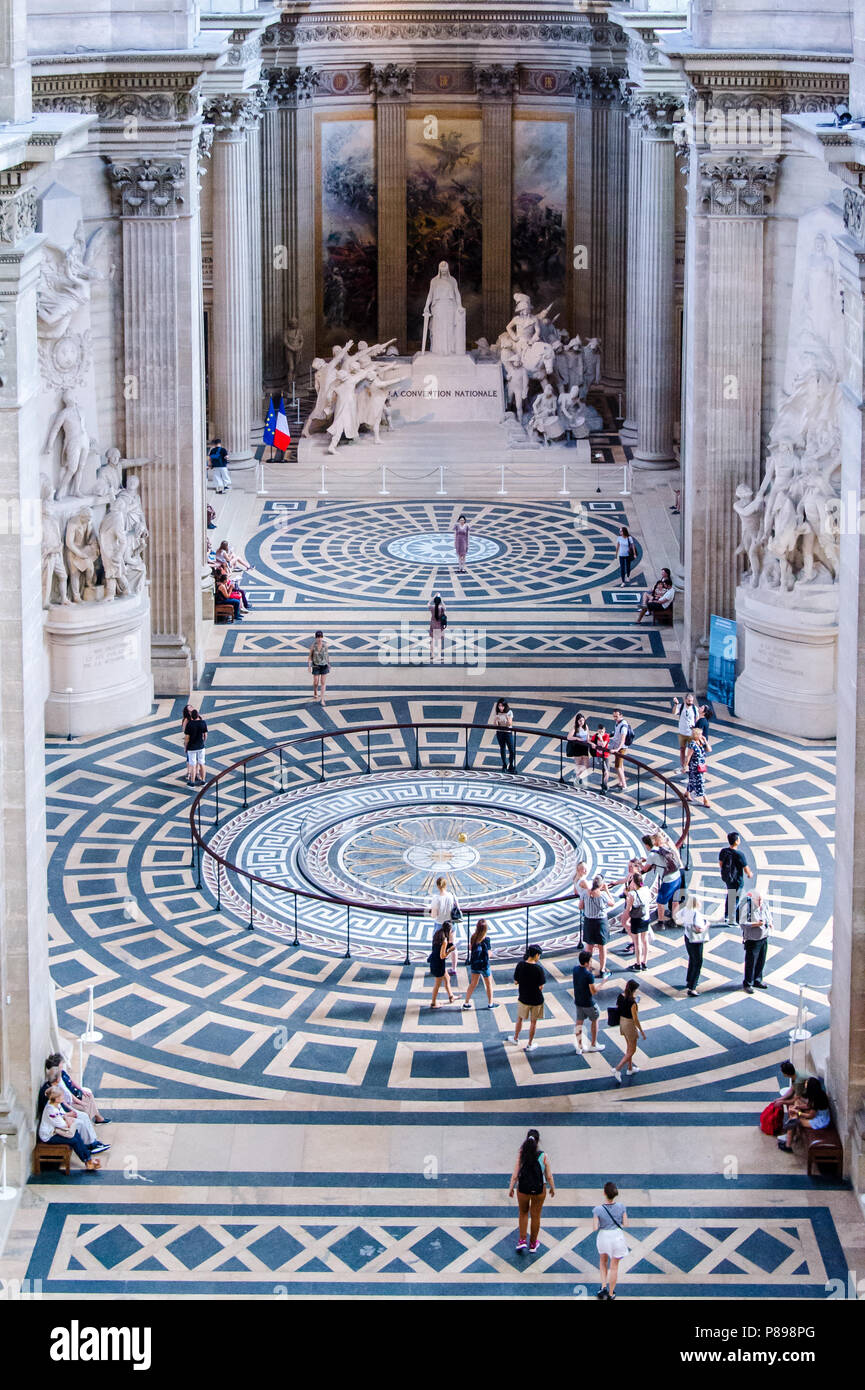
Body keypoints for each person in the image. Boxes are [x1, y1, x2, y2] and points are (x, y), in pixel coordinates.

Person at [509, 1129, 555, 1254]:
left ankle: (522, 1240)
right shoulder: (543, 1156)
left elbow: (515, 1174)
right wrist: (552, 1188)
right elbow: (549, 1175)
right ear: (538, 1141)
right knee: (536, 1216)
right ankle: (533, 1243)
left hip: (523, 1189)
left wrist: (511, 1187)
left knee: (523, 1213)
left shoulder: (522, 1154)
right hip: (539, 1189)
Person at [38, 1086, 102, 1170]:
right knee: (74, 1141)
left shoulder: (55, 1104)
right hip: (49, 1136)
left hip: (55, 1130)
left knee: (76, 1134)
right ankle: (87, 1161)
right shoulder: (51, 1111)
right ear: (56, 1099)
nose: (63, 1097)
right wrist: (68, 1119)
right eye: (61, 1096)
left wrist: (67, 1117)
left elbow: (62, 1116)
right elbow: (64, 1125)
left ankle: (88, 1159)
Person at [45, 1053, 108, 1126]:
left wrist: (81, 1090)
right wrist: (81, 1103)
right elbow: (68, 1094)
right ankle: (93, 1121)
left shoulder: (62, 1072)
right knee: (86, 1107)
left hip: (75, 1094)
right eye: (61, 1063)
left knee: (89, 1095)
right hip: (71, 1101)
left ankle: (98, 1118)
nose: (62, 1064)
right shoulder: (58, 1080)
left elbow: (72, 1081)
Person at [593, 1181, 629, 1300]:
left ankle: (603, 1287)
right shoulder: (621, 1207)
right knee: (614, 1267)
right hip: (617, 1237)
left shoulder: (597, 1210)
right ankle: (611, 1293)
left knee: (603, 1262)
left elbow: (595, 1228)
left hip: (604, 1237)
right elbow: (626, 1224)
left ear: (604, 1193)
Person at [777, 1077, 832, 1153]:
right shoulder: (818, 1094)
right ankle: (790, 1136)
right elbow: (809, 1106)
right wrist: (797, 1107)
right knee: (796, 1107)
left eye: (807, 1083)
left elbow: (810, 1116)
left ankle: (788, 1145)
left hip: (820, 1121)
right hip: (817, 1115)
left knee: (794, 1121)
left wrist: (797, 1112)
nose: (805, 1084)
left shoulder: (818, 1099)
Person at [507, 944, 546, 1051]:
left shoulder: (520, 965)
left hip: (523, 997)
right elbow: (541, 986)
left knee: (519, 1019)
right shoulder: (539, 969)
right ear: (536, 955)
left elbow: (516, 981)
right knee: (533, 1022)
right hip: (537, 999)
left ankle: (515, 1038)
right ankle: (529, 1044)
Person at [642, 832, 683, 929]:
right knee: (675, 900)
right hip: (677, 876)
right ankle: (674, 921)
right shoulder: (663, 848)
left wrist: (639, 865)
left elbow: (645, 869)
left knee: (660, 902)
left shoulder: (652, 854)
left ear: (647, 845)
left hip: (668, 880)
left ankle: (661, 923)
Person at [674, 893, 710, 995]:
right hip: (696, 940)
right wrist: (706, 924)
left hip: (687, 936)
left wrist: (687, 924)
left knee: (692, 958)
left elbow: (677, 917)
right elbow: (700, 929)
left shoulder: (686, 910)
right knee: (698, 962)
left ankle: (689, 980)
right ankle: (692, 987)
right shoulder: (696, 913)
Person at [613, 978, 646, 1083]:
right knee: (632, 1050)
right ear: (633, 990)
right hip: (629, 1024)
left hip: (622, 1022)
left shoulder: (620, 996)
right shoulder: (632, 1003)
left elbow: (618, 1007)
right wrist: (641, 1031)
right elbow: (635, 1019)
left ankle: (630, 1068)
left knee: (628, 1047)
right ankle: (617, 1069)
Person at [741, 888, 772, 993]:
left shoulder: (764, 905)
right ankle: (748, 983)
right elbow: (743, 923)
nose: (760, 902)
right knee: (751, 962)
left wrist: (770, 922)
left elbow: (768, 915)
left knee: (761, 960)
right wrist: (756, 924)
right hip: (753, 939)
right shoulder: (747, 908)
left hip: (764, 936)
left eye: (761, 900)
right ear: (752, 899)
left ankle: (757, 980)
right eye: (758, 900)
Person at [573, 949, 604, 1053]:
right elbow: (593, 991)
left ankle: (579, 1046)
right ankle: (594, 1044)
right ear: (586, 963)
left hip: (578, 1001)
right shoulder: (589, 975)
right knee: (595, 1020)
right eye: (590, 961)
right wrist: (603, 983)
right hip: (588, 1003)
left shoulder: (575, 969)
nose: (591, 962)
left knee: (579, 1023)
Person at [582, 875, 614, 978]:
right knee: (602, 947)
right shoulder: (602, 895)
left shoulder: (585, 893)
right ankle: (603, 969)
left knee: (589, 946)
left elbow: (580, 906)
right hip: (600, 922)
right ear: (601, 885)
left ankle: (587, 968)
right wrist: (607, 891)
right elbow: (612, 903)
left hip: (588, 922)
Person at [719, 830, 752, 925]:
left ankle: (726, 916)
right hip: (737, 880)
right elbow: (746, 869)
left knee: (730, 896)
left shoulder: (724, 851)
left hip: (728, 879)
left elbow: (721, 864)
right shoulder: (740, 854)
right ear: (736, 841)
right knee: (735, 899)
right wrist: (750, 874)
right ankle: (731, 920)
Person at [463, 919, 494, 1010]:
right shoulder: (486, 939)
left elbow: (471, 948)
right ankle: (490, 1003)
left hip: (475, 964)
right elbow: (488, 954)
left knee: (473, 984)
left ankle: (466, 1002)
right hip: (485, 965)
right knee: (488, 985)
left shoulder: (473, 937)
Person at [429, 922, 459, 1007]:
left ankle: (451, 996)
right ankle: (433, 1003)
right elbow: (442, 956)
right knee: (437, 985)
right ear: (449, 931)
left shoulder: (437, 934)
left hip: (434, 961)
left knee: (447, 978)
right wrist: (450, 950)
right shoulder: (444, 940)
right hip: (439, 964)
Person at [625, 873, 652, 971]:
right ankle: (645, 963)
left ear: (634, 882)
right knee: (645, 940)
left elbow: (628, 909)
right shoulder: (646, 889)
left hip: (637, 919)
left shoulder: (632, 894)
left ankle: (638, 964)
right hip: (646, 917)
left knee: (637, 943)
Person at [684, 732, 711, 808]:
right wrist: (685, 766)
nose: (702, 735)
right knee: (699, 782)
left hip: (701, 766)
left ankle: (687, 792)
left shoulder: (701, 742)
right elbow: (688, 757)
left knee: (693, 780)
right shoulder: (692, 745)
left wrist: (705, 741)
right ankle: (705, 800)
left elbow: (709, 750)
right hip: (694, 767)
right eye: (700, 734)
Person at [672, 693, 698, 773]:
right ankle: (682, 766)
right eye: (689, 701)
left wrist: (694, 726)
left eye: (692, 701)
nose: (690, 702)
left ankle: (689, 768)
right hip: (682, 732)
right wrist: (676, 704)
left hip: (691, 734)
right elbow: (674, 712)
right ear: (685, 700)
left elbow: (697, 717)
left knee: (691, 752)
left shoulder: (694, 708)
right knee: (682, 750)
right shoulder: (681, 706)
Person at [608, 709, 632, 792]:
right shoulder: (618, 723)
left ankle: (624, 786)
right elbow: (616, 734)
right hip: (617, 746)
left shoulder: (623, 726)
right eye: (614, 716)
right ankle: (621, 783)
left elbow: (623, 740)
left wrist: (617, 749)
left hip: (621, 748)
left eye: (616, 716)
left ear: (621, 715)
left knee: (618, 767)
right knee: (620, 766)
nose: (615, 718)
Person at [184, 708, 208, 785]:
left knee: (193, 765)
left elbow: (187, 738)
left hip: (191, 747)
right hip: (201, 746)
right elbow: (205, 735)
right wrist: (203, 742)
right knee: (202, 763)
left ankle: (192, 782)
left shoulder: (189, 724)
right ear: (198, 715)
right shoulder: (203, 723)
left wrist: (185, 747)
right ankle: (203, 781)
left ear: (191, 716)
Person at [566, 712, 591, 786]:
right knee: (579, 765)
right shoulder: (575, 728)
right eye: (580, 721)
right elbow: (568, 737)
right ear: (577, 721)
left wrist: (589, 742)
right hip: (577, 747)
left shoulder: (586, 726)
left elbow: (588, 736)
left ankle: (577, 778)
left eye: (583, 720)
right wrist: (577, 738)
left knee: (586, 766)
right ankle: (577, 781)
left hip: (584, 747)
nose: (581, 722)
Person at [493, 698, 515, 773]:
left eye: (502, 706)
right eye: (499, 706)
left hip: (508, 732)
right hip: (500, 733)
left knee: (511, 749)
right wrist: (495, 720)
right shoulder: (497, 712)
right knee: (502, 748)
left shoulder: (509, 712)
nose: (500, 707)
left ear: (505, 706)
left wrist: (507, 718)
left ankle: (511, 765)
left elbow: (510, 724)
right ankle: (504, 765)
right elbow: (495, 725)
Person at [308, 630, 330, 706]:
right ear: (315, 638)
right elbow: (310, 656)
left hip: (324, 666)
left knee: (323, 683)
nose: (319, 639)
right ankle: (315, 691)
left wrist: (329, 663)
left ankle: (322, 699)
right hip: (316, 665)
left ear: (322, 637)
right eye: (318, 637)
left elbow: (327, 655)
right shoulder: (313, 646)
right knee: (316, 681)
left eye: (320, 637)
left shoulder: (325, 645)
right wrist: (309, 666)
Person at [590, 722, 611, 792]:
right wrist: (592, 744)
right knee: (606, 772)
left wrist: (601, 737)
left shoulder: (606, 736)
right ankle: (604, 786)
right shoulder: (595, 736)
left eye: (602, 731)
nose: (601, 733)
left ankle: (604, 785)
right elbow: (590, 741)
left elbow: (603, 745)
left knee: (607, 772)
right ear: (597, 731)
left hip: (606, 756)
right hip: (599, 756)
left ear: (604, 730)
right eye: (599, 731)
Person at [428, 593, 447, 663]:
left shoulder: (432, 608)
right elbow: (445, 607)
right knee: (439, 642)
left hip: (432, 625)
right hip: (439, 626)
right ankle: (439, 656)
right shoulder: (441, 608)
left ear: (434, 601)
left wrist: (433, 597)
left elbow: (428, 603)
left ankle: (432, 655)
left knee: (432, 641)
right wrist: (441, 599)